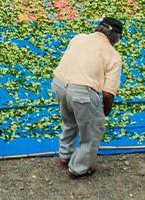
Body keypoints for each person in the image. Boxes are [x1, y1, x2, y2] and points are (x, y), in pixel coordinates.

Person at [51, 16, 123, 178]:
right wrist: (104, 112)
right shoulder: (113, 55)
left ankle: (65, 154)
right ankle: (78, 168)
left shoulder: (79, 38)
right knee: (92, 130)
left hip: (59, 84)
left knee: (69, 119)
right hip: (81, 92)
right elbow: (108, 93)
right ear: (115, 38)